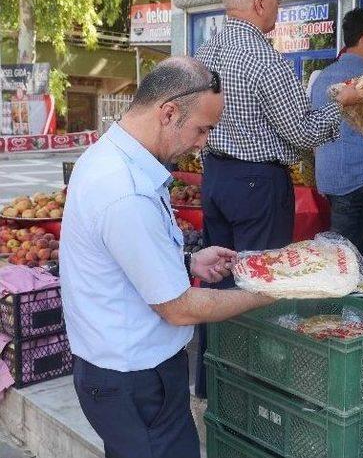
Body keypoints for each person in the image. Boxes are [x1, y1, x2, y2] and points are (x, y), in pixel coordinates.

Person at [59, 57, 275, 458]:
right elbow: (179, 308)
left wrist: (188, 262)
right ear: (169, 113)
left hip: (125, 374)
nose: (203, 143)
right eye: (202, 129)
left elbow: (125, 259)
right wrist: (271, 291)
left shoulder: (115, 157)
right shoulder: (126, 190)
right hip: (135, 382)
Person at [193, 0, 362, 396]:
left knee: (221, 278)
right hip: (256, 185)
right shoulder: (264, 59)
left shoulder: (207, 52)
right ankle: (252, 390)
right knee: (259, 284)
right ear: (260, 3)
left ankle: (214, 385)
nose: (279, 7)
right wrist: (342, 103)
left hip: (215, 179)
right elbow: (302, 131)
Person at [312, 9, 363, 273]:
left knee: (360, 255)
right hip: (356, 180)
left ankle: (362, 306)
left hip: (330, 179)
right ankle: (333, 312)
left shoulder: (322, 77)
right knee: (343, 263)